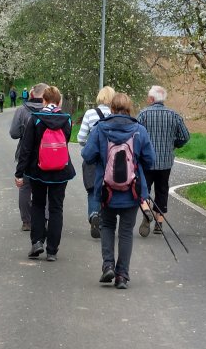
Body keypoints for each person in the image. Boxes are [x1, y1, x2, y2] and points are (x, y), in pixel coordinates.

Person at [81, 92, 155, 289]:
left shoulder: (100, 129)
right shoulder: (139, 130)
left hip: (106, 191)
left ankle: (108, 266)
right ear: (129, 109)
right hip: (133, 191)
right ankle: (122, 275)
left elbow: (87, 155)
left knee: (107, 226)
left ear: (111, 109)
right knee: (126, 232)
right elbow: (150, 160)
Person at [15, 85, 75, 261]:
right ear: (59, 101)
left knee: (38, 205)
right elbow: (66, 142)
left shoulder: (36, 119)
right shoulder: (67, 120)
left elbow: (26, 149)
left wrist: (19, 173)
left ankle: (37, 242)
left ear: (43, 100)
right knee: (56, 208)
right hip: (61, 170)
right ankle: (52, 251)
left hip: (38, 170)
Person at [136, 85, 190, 236]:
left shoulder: (143, 114)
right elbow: (185, 136)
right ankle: (159, 223)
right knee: (162, 190)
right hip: (166, 161)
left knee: (143, 189)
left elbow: (135, 135)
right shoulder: (174, 115)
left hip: (146, 161)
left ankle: (146, 212)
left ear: (152, 99)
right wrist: (174, 144)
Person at [77, 85, 115, 238]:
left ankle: (94, 215)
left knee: (93, 189)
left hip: (93, 159)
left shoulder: (90, 113)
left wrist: (90, 145)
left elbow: (80, 138)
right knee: (111, 189)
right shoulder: (115, 114)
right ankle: (106, 221)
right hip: (112, 159)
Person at [9, 82, 47, 230]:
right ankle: (44, 217)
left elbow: (14, 133)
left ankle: (27, 221)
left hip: (25, 154)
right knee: (46, 187)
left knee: (25, 187)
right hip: (47, 155)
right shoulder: (50, 110)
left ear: (32, 94)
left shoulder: (22, 110)